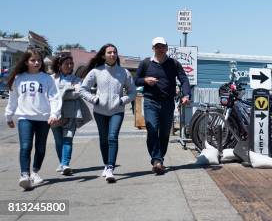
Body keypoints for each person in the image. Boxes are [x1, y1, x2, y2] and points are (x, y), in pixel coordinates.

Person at [4, 48, 61, 190]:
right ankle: (24, 175)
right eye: (33, 60)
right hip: (25, 117)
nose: (36, 63)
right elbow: (13, 99)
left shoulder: (47, 79)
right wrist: (9, 115)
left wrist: (54, 114)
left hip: (43, 119)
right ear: (26, 62)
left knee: (40, 148)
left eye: (39, 60)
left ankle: (35, 172)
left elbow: (55, 97)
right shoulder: (19, 78)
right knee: (25, 146)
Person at [80, 44, 136, 183]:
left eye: (114, 52)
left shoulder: (124, 73)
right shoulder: (96, 72)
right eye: (109, 52)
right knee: (104, 139)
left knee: (112, 137)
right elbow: (83, 89)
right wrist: (94, 99)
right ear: (104, 55)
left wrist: (123, 100)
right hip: (100, 111)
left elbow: (133, 92)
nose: (112, 54)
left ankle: (110, 167)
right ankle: (106, 164)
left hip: (117, 110)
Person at [134, 37, 191, 174]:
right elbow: (135, 80)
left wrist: (186, 95)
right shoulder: (146, 63)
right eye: (157, 46)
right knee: (152, 130)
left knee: (165, 134)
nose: (160, 49)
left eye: (162, 46)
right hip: (150, 101)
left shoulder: (174, 63)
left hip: (167, 103)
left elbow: (183, 79)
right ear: (153, 48)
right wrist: (145, 80)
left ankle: (159, 159)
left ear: (166, 48)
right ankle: (157, 161)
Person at [50, 52, 92, 176]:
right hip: (54, 114)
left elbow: (77, 94)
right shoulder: (51, 79)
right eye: (66, 63)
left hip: (71, 114)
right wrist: (68, 91)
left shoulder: (77, 80)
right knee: (58, 141)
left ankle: (66, 164)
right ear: (59, 65)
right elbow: (50, 95)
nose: (69, 66)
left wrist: (62, 94)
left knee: (67, 139)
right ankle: (62, 163)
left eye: (71, 63)